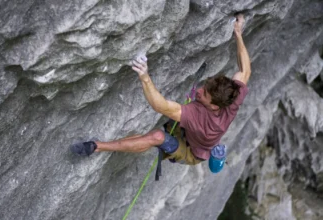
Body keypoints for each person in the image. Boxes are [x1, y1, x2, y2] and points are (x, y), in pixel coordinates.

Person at [70, 14, 251, 166]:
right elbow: (245, 70)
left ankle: (97, 146)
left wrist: (144, 76)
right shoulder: (232, 96)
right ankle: (212, 149)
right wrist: (238, 33)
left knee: (157, 136)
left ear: (213, 107)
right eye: (204, 87)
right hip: (199, 135)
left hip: (191, 151)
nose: (199, 91)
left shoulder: (199, 118)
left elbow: (160, 106)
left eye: (204, 95)